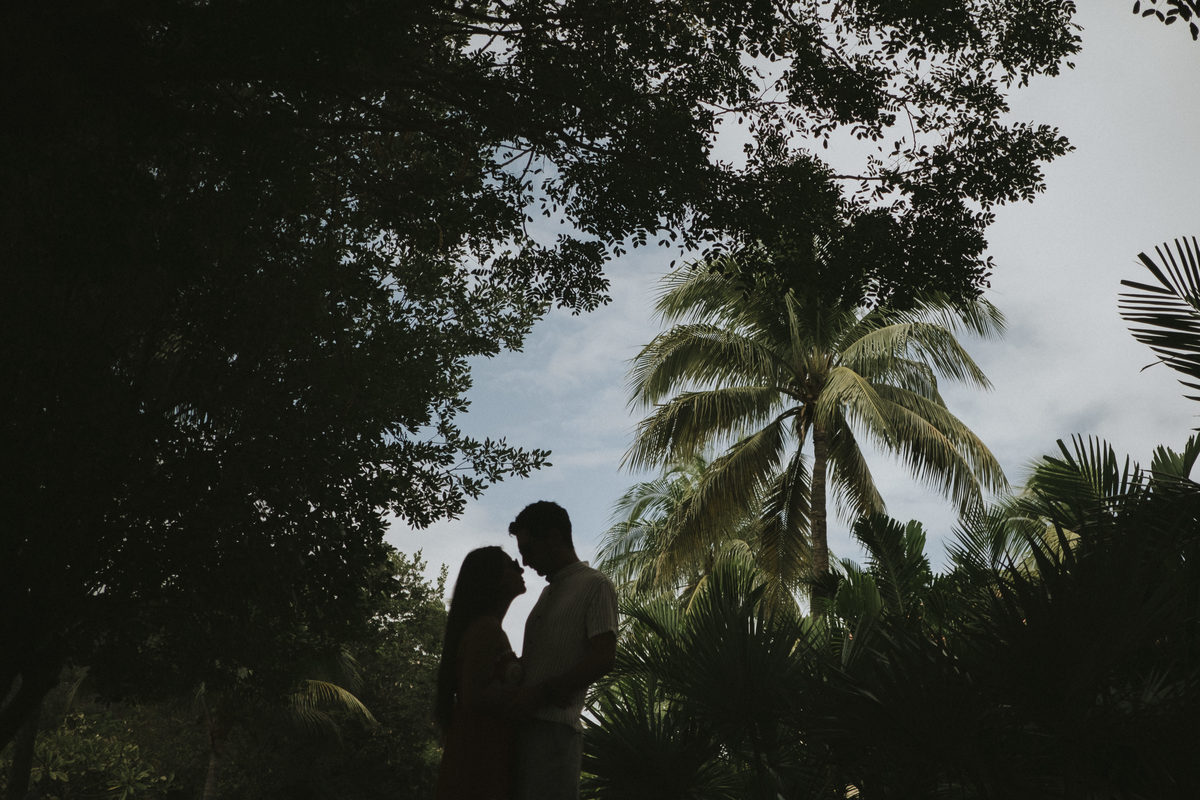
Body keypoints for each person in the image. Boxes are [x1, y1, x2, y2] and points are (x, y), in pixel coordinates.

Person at [508, 501, 618, 800]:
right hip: (527, 728)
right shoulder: (548, 591)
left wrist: (542, 692)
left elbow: (603, 656)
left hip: (555, 730)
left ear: (554, 538)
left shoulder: (595, 585)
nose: (526, 562)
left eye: (529, 550)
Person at [434, 546, 527, 800]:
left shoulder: (489, 628)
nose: (520, 569)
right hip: (480, 748)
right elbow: (474, 695)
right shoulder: (486, 629)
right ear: (493, 578)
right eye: (511, 564)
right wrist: (528, 695)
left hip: (481, 744)